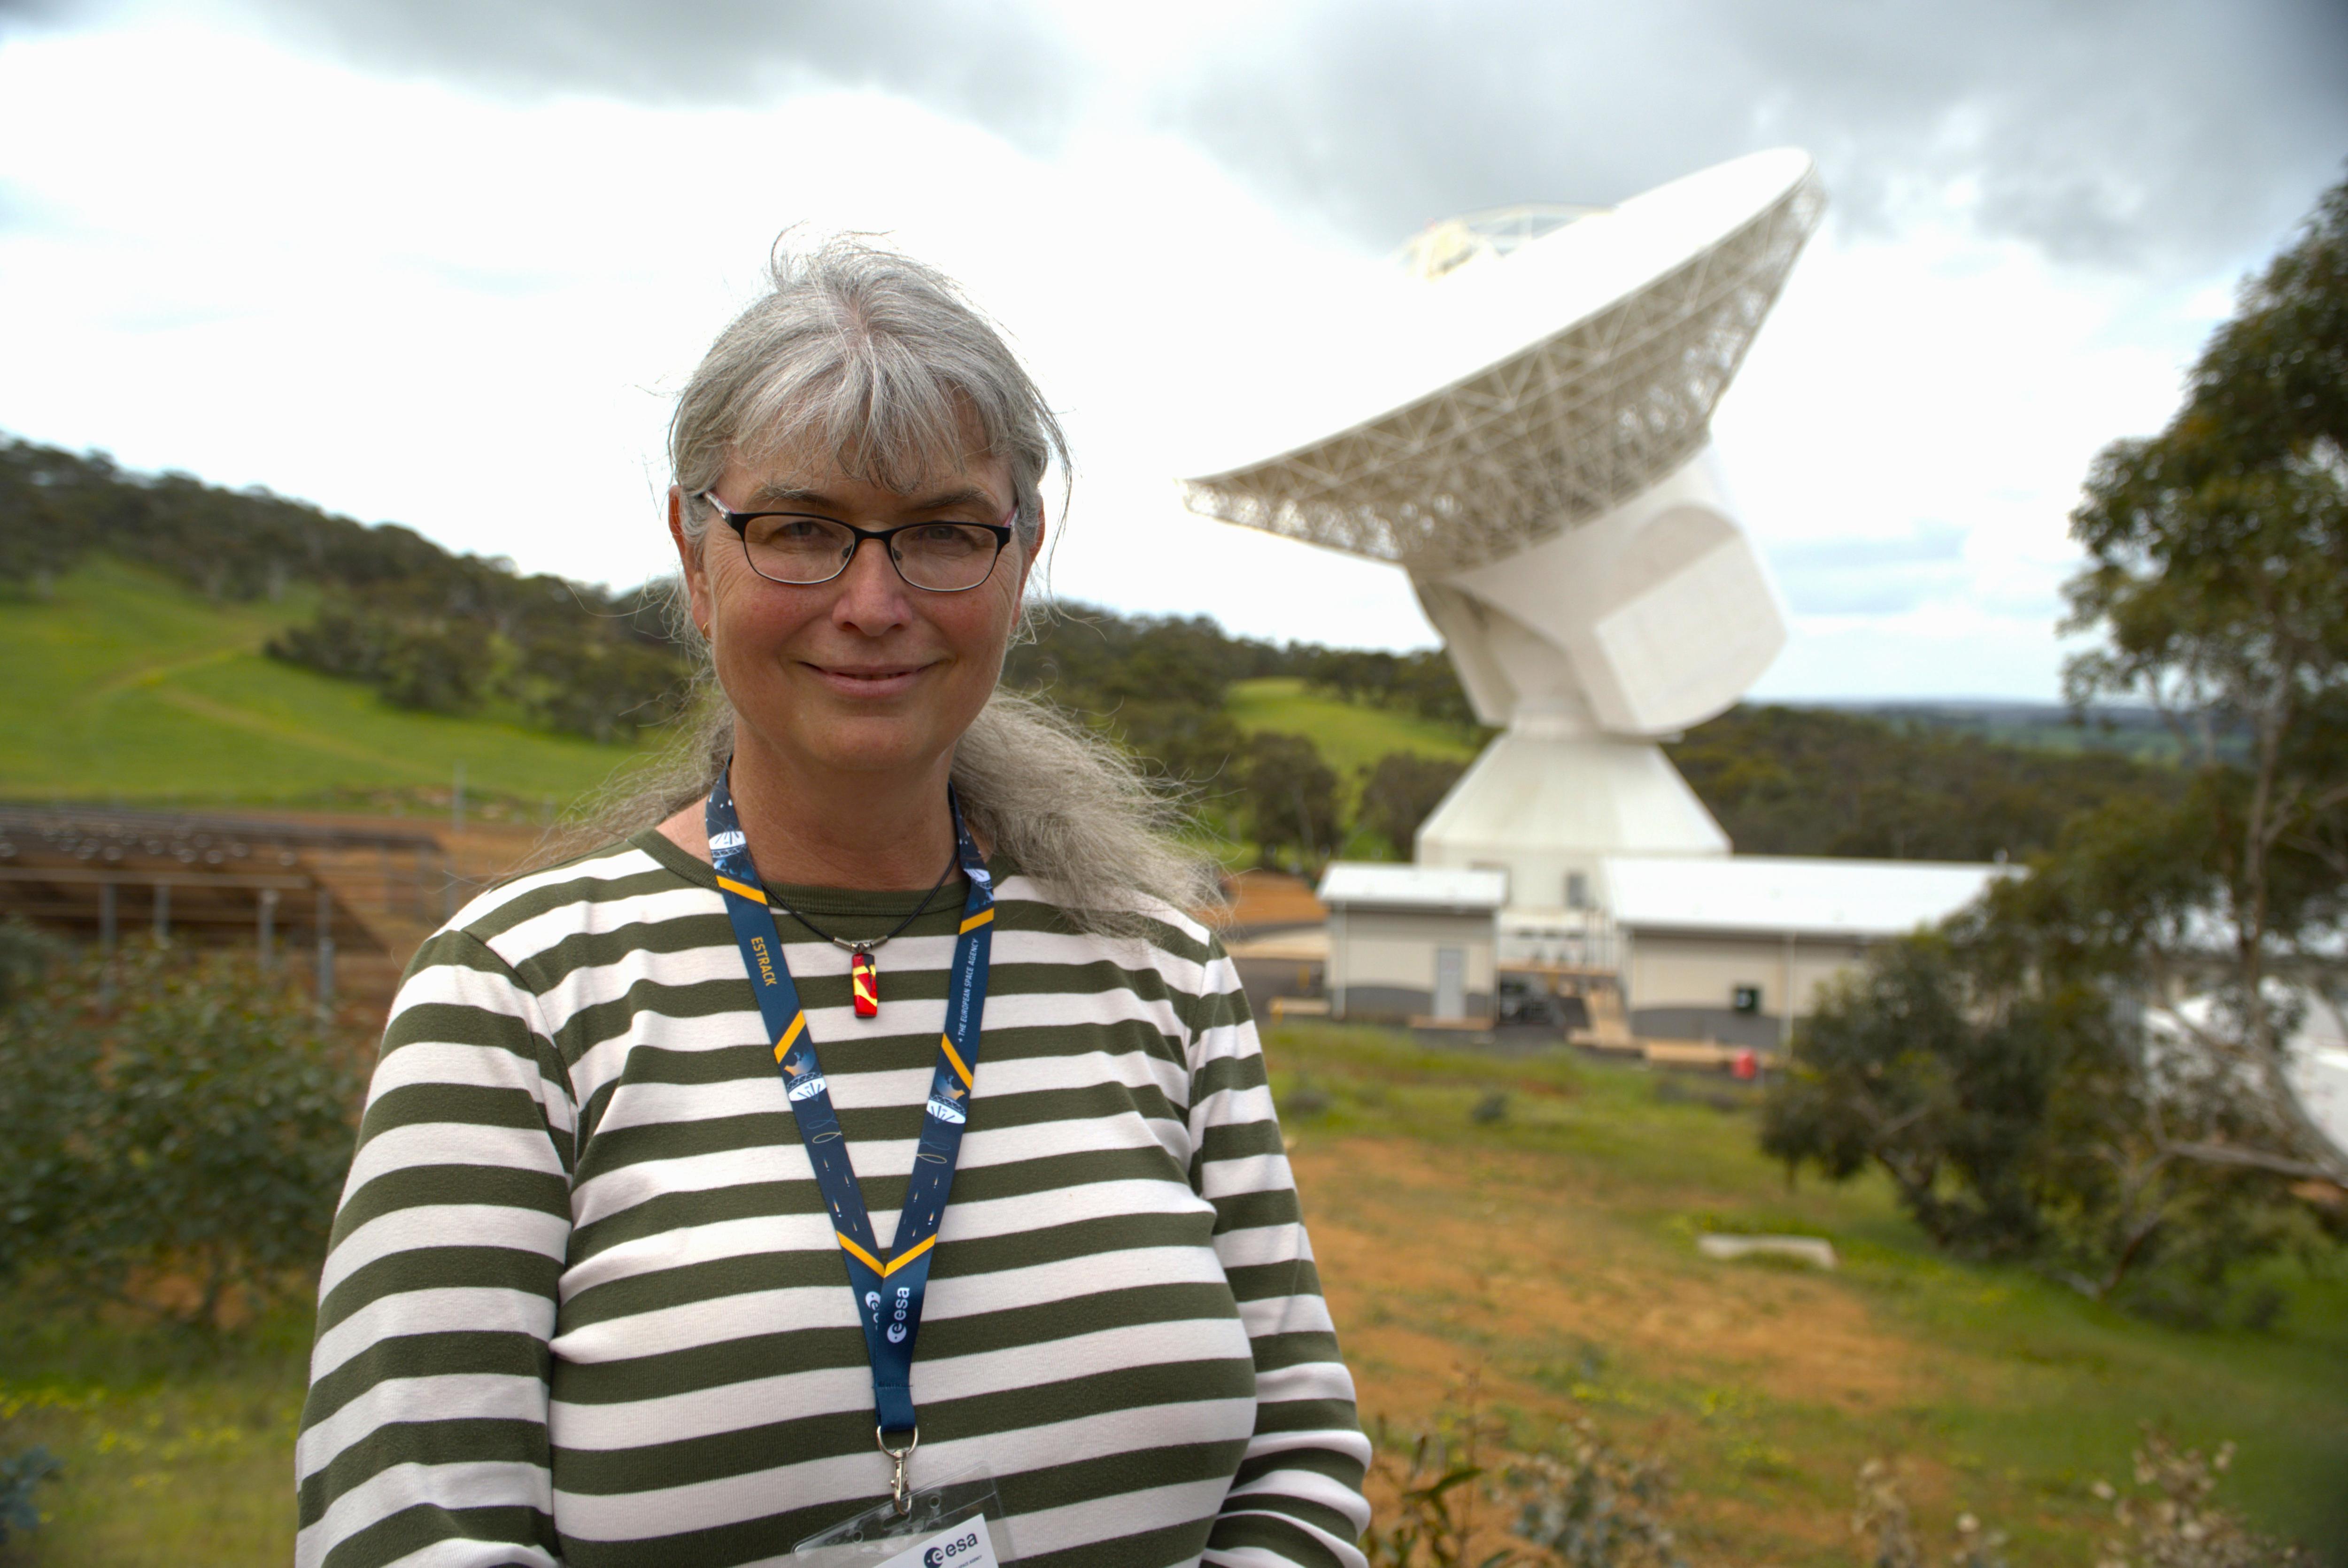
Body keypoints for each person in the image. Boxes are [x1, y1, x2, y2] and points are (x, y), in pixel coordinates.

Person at [294, 238, 1370, 1566]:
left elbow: (1300, 1470)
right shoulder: (514, 1003)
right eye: (801, 529)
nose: (875, 601)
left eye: (942, 532)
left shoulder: (1166, 980)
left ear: (1021, 561)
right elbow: (412, 1529)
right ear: (697, 558)